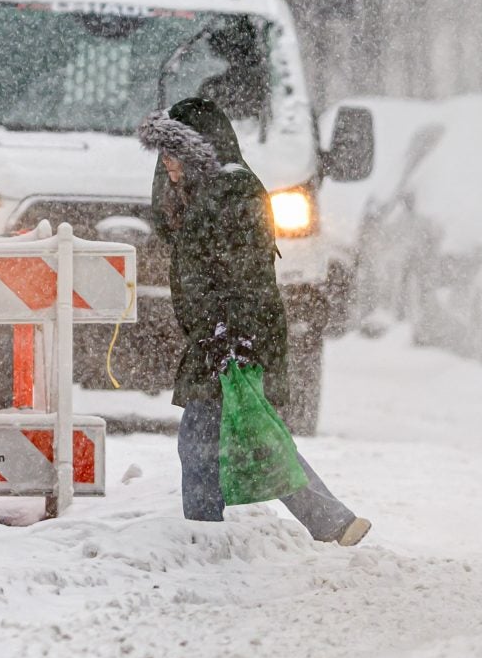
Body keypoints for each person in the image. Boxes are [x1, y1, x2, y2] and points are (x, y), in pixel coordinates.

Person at [140, 96, 370, 546]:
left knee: (210, 439)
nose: (166, 165)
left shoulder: (232, 194)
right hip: (218, 337)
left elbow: (249, 277)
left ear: (198, 152)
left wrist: (234, 339)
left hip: (234, 338)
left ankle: (205, 536)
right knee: (247, 435)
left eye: (173, 154)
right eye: (163, 156)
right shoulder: (202, 194)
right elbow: (170, 231)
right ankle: (331, 522)